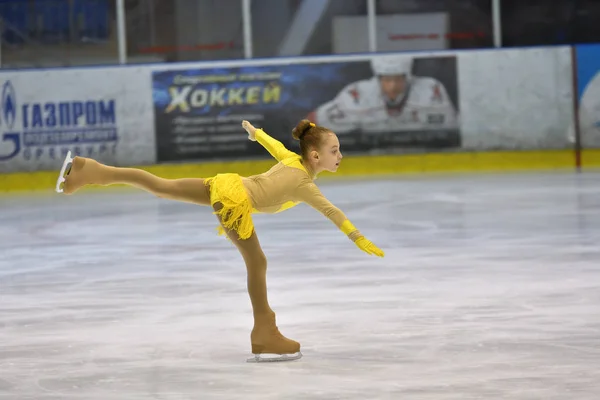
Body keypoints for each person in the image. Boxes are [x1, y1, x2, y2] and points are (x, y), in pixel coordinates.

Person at [55, 119, 384, 362]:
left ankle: (91, 170)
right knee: (257, 262)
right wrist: (357, 236)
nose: (340, 155)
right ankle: (264, 332)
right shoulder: (304, 184)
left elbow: (276, 147)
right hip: (234, 202)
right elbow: (332, 210)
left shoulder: (293, 162)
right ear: (314, 156)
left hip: (225, 186)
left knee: (160, 185)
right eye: (334, 150)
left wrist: (257, 135)